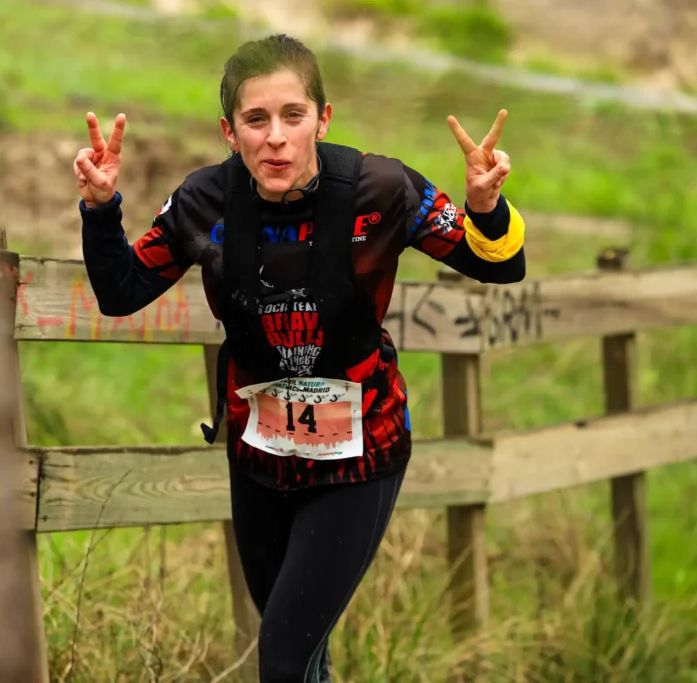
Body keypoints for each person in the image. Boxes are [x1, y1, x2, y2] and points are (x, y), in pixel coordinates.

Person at [74, 33, 524, 683]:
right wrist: (99, 209)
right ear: (231, 132)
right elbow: (120, 293)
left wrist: (487, 207)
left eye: (293, 115)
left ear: (324, 118)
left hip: (360, 455)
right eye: (256, 120)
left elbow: (502, 266)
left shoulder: (383, 189)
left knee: (282, 661)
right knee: (303, 656)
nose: (276, 137)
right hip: (258, 460)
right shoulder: (203, 203)